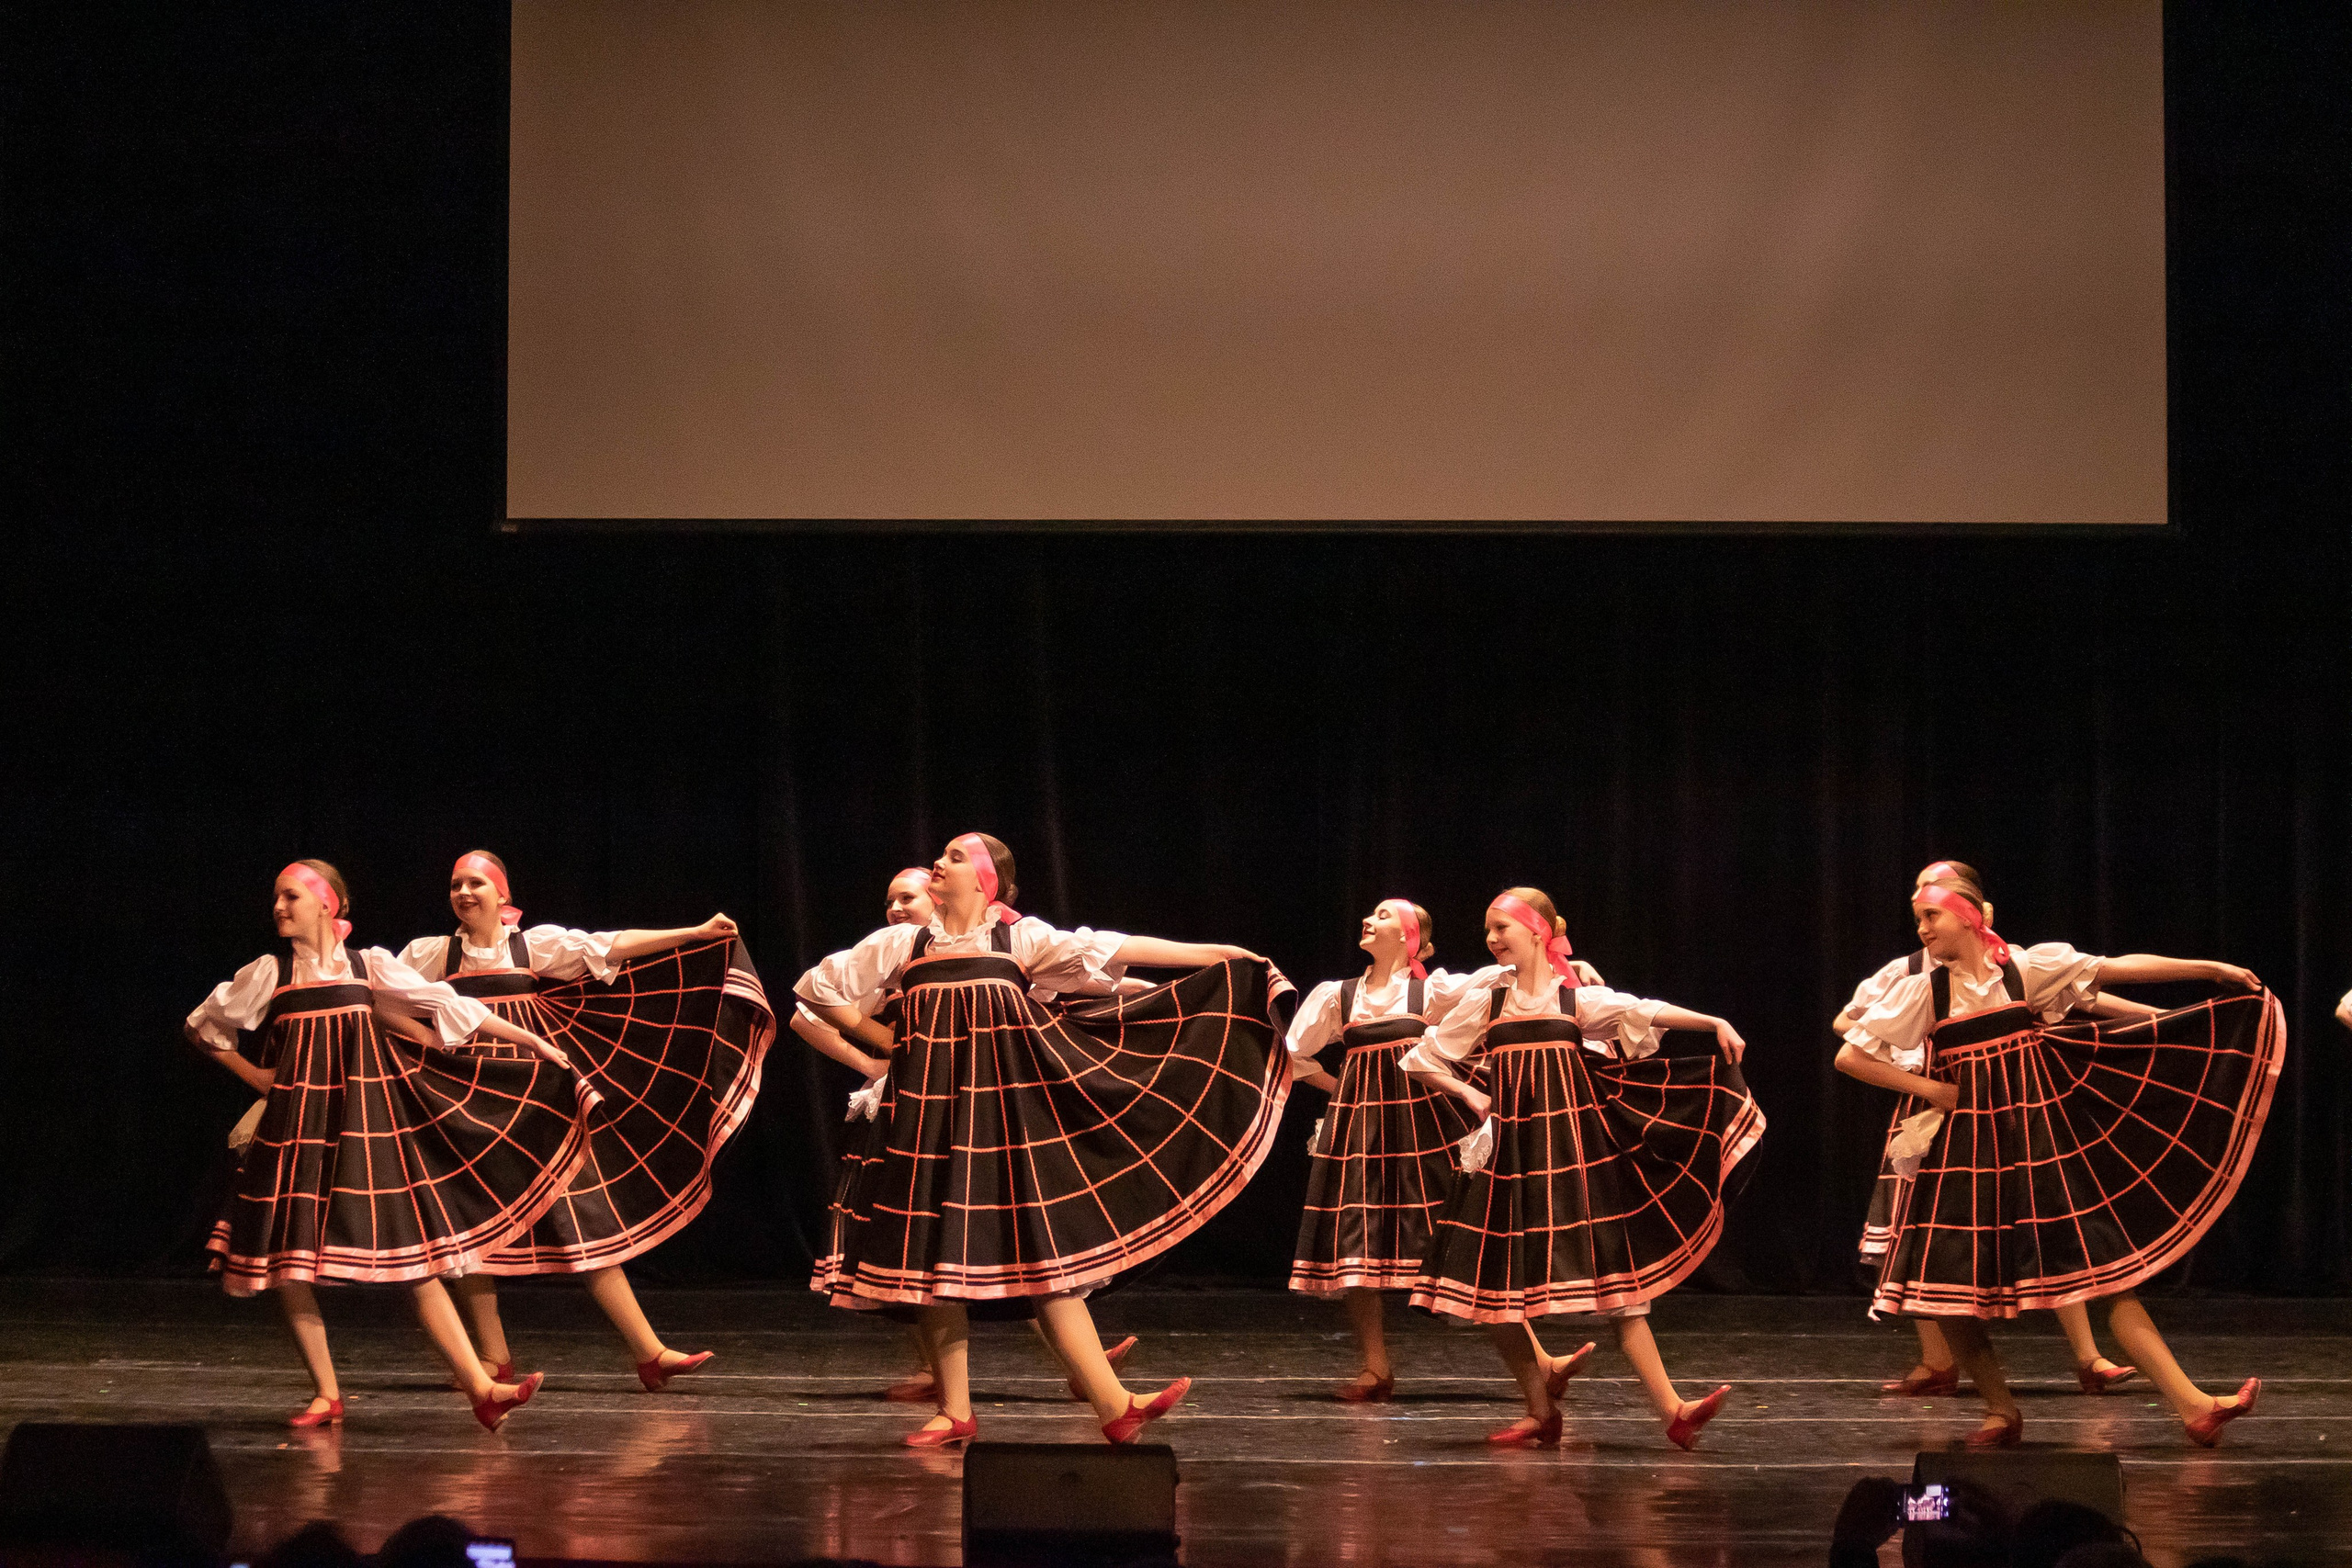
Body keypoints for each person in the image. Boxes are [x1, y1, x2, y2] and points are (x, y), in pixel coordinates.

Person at [797, 832, 1291, 1446]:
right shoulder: (902, 943)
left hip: (1004, 1122)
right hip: (926, 1119)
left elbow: (1116, 949)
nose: (936, 863)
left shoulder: (1020, 938)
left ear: (983, 878)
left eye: (952, 856)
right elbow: (817, 988)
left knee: (1041, 1260)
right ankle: (957, 1410)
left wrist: (1221, 954)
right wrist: (885, 1040)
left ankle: (1114, 1402)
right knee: (932, 1261)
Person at [1837, 867, 2278, 1447]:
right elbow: (1851, 1056)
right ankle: (2000, 1411)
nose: (1921, 929)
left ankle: (2193, 1404)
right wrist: (1935, 1091)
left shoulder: (2026, 968)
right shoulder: (1924, 990)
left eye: (1931, 916)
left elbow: (2116, 966)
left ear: (1968, 915)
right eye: (1918, 918)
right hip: (1965, 1153)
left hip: (2035, 1145)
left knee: (2104, 1276)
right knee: (1947, 1291)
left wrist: (2210, 970)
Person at [186, 861, 585, 1429]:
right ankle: (327, 1394)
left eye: (291, 896)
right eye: (276, 897)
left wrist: (533, 1043)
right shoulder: (270, 972)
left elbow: (452, 1008)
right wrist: (260, 1080)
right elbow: (204, 1028)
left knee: (411, 1257)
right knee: (290, 1265)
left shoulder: (368, 965)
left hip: (360, 1129)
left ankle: (481, 1387)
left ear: (327, 904)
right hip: (297, 1127)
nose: (278, 907)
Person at [393, 851, 774, 1392]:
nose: (464, 892)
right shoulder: (431, 954)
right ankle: (494, 1356)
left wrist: (695, 932)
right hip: (467, 1096)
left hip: (534, 1095)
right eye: (456, 883)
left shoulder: (532, 944)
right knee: (470, 1223)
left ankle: (648, 1350)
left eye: (476, 882)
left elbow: (611, 944)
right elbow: (384, 995)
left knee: (579, 1215)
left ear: (502, 894)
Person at [1403, 887, 1764, 1449]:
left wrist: (1711, 1019)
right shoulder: (1488, 1002)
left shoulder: (1574, 1003)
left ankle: (1674, 1408)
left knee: (1619, 1287)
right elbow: (1423, 1058)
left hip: (1572, 1154)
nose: (1494, 939)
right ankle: (1540, 1410)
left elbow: (1640, 1009)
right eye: (1488, 931)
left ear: (1539, 931)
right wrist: (1470, 1096)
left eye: (1503, 927)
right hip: (1512, 1159)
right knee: (1491, 1288)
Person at [789, 865, 1137, 1404]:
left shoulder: (997, 942)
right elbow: (809, 1012)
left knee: (996, 1238)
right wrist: (880, 1051)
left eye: (909, 895)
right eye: (890, 900)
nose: (898, 907)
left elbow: (1083, 971)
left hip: (980, 1106)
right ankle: (973, 1381)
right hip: (920, 1107)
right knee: (935, 1244)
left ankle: (1075, 1363)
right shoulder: (898, 952)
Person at [1840, 861, 2148, 1400]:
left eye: (1933, 901)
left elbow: (2090, 994)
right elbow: (1850, 1025)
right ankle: (1941, 1362)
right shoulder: (1911, 973)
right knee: (1926, 1233)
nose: (1922, 914)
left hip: (2009, 1104)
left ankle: (2088, 1356)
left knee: (2046, 1218)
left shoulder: (2010, 965)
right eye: (1918, 900)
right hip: (1940, 1107)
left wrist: (2157, 1018)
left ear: (1973, 910)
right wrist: (1909, 1052)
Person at [1288, 898, 1596, 1402]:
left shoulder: (1431, 989)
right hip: (1364, 1128)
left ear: (1411, 938)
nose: (1369, 919)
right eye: (1369, 913)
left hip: (1425, 1126)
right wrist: (1342, 1088)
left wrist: (1568, 966)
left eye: (1385, 915)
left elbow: (1504, 978)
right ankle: (1375, 1368)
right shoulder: (1337, 996)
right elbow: (1294, 1054)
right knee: (1357, 1234)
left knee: (1461, 1228)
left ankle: (1542, 1360)